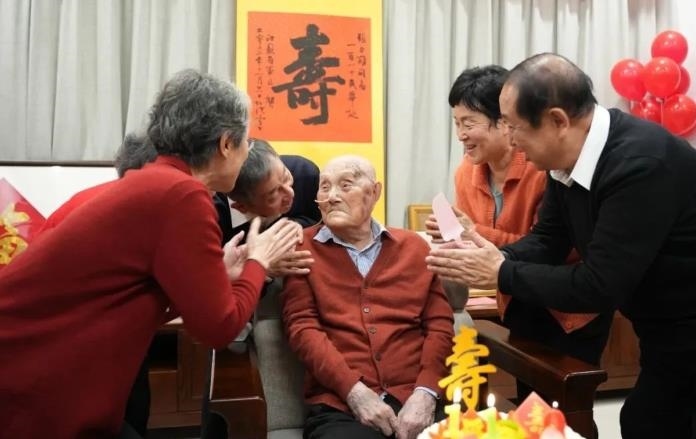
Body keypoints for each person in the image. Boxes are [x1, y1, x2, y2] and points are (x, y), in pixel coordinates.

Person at [0, 69, 300, 439]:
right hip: (31, 381)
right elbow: (219, 327)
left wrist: (221, 275)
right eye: (246, 143)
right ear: (226, 143)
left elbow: (130, 295)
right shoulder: (183, 195)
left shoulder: (157, 183)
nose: (246, 153)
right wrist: (259, 261)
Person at [425, 53, 696, 439]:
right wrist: (492, 256)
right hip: (661, 323)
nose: (512, 139)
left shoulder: (639, 164)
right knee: (646, 420)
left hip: (683, 319)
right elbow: (548, 240)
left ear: (557, 120)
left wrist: (501, 271)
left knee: (649, 422)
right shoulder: (564, 160)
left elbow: (599, 285)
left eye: (515, 127)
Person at [426, 65, 611, 370]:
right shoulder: (465, 173)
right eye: (456, 123)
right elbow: (485, 247)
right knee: (529, 391)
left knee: (565, 392)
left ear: (504, 121)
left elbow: (555, 246)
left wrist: (478, 234)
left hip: (567, 310)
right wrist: (455, 239)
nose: (461, 135)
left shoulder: (545, 165)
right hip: (514, 299)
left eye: (469, 123)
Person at [282, 155, 454, 439]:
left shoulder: (414, 247)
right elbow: (303, 329)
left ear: (375, 192)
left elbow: (440, 326)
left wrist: (426, 393)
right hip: (342, 406)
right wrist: (354, 391)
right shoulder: (301, 248)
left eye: (345, 185)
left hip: (417, 398)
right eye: (324, 187)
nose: (332, 196)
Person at [213, 138, 318, 277]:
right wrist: (258, 267)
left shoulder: (304, 174)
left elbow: (320, 221)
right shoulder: (213, 217)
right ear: (241, 207)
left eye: (286, 177)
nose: (290, 193)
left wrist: (297, 226)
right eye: (273, 196)